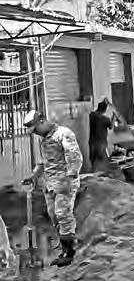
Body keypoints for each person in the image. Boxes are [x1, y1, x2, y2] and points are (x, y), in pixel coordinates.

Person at [23, 110, 82, 267]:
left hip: (64, 182)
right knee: (55, 217)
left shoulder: (63, 134)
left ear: (42, 121)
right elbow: (42, 162)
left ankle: (70, 253)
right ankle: (64, 249)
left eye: (35, 129)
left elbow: (75, 158)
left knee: (63, 215)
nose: (35, 133)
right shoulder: (43, 140)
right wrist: (34, 176)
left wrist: (70, 178)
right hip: (50, 185)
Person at [88, 99, 115, 170]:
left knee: (93, 159)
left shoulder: (91, 115)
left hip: (92, 141)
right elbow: (111, 126)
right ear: (104, 110)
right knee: (101, 160)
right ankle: (102, 172)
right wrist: (113, 117)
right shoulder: (105, 119)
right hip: (101, 142)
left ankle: (93, 171)